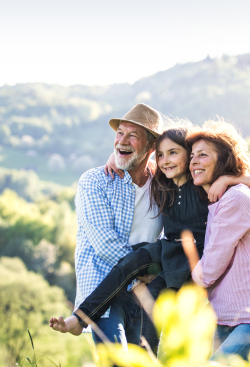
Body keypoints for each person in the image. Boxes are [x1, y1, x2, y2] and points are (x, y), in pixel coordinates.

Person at [50, 124, 250, 353]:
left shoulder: (200, 183)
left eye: (173, 153)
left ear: (189, 156)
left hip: (192, 256)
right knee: (128, 264)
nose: (165, 160)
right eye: (161, 155)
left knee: (152, 305)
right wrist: (115, 157)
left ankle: (147, 356)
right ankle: (80, 318)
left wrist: (226, 180)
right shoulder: (162, 183)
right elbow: (138, 165)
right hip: (166, 249)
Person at [60, 103, 165, 350]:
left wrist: (233, 178)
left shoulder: (163, 186)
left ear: (151, 146)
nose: (122, 141)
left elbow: (193, 159)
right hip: (104, 291)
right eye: (120, 133)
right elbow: (105, 244)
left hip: (145, 295)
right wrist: (144, 274)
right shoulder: (95, 181)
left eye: (132, 136)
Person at [188, 120, 250, 361]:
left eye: (202, 155)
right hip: (225, 312)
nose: (194, 161)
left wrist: (188, 272)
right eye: (192, 156)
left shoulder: (236, 198)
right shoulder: (219, 200)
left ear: (223, 160)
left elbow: (209, 271)